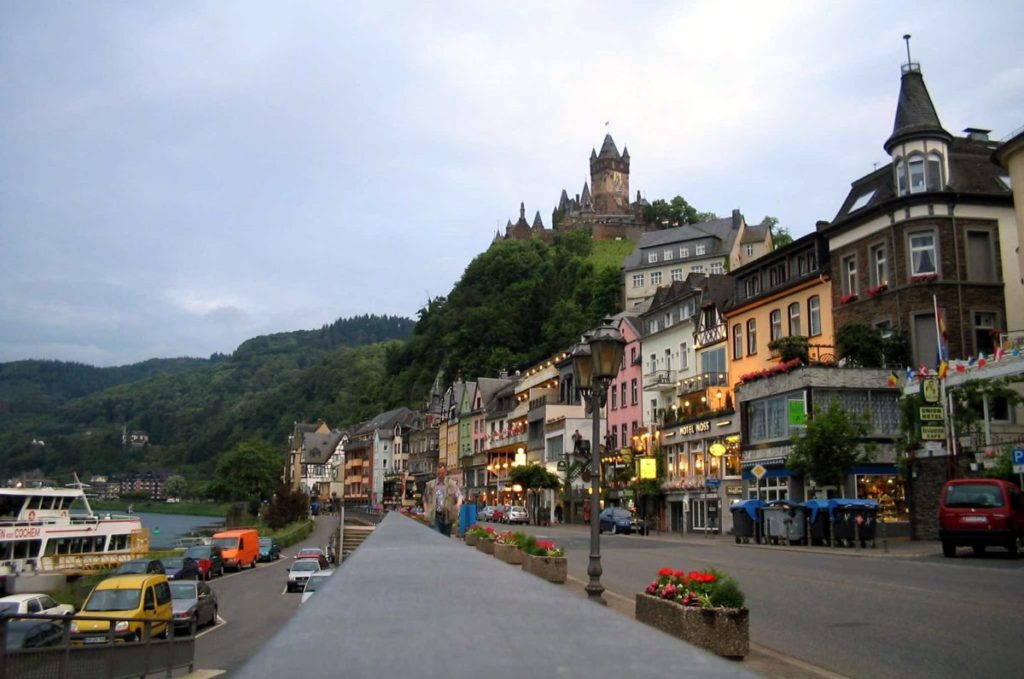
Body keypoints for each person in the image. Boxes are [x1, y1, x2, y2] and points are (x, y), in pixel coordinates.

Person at [424, 463, 462, 537]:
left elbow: (459, 496)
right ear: (436, 473)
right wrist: (426, 511)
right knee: (436, 536)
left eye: (442, 473)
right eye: (438, 473)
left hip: (447, 516)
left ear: (445, 472)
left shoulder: (452, 484)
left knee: (446, 538)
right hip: (435, 516)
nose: (440, 475)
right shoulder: (431, 485)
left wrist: (458, 504)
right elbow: (425, 498)